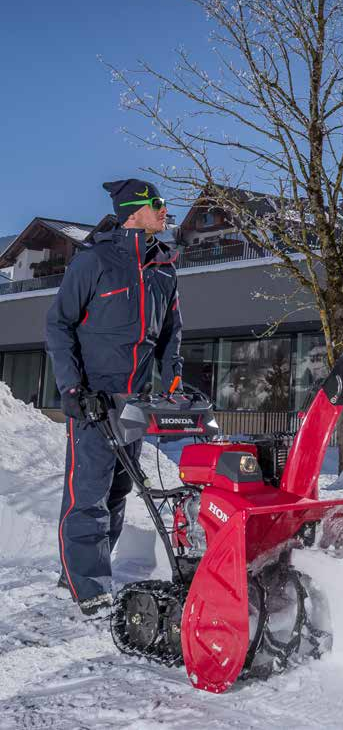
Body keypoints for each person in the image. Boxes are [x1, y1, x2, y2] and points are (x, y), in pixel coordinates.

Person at [46, 179, 183, 615]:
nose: (165, 210)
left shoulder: (164, 270)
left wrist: (173, 381)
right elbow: (59, 326)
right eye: (157, 204)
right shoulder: (94, 261)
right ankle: (87, 584)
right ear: (133, 212)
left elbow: (170, 336)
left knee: (120, 490)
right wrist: (73, 388)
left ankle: (94, 567)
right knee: (88, 492)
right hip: (94, 399)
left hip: (136, 401)